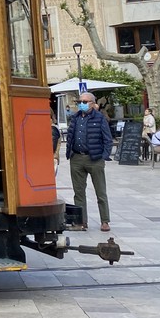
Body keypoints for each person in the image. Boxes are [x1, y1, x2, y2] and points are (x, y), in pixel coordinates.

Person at [64, 91, 114, 232]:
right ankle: (81, 222)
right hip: (76, 158)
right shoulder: (75, 118)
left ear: (92, 104)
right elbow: (70, 136)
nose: (81, 104)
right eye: (80, 102)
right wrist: (69, 153)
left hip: (95, 158)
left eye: (84, 102)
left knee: (100, 192)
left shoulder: (99, 118)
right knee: (78, 192)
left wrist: (104, 156)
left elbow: (108, 139)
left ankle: (105, 221)